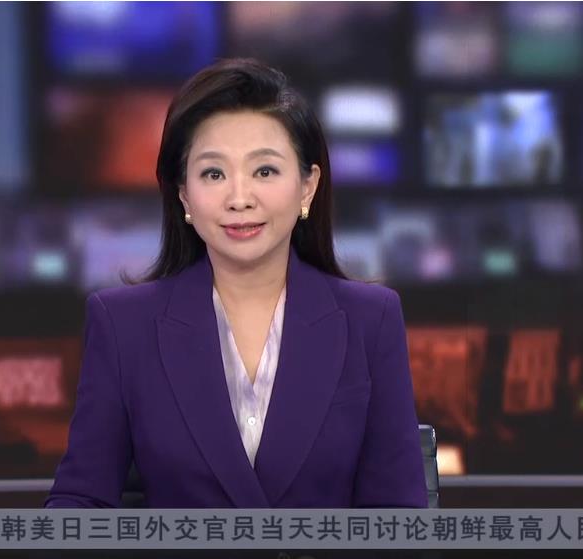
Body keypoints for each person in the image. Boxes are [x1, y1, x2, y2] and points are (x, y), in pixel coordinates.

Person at [45, 58, 427, 508]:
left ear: (307, 187)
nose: (239, 198)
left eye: (264, 171)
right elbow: (80, 503)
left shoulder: (371, 320)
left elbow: (398, 518)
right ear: (184, 195)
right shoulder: (122, 326)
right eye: (214, 174)